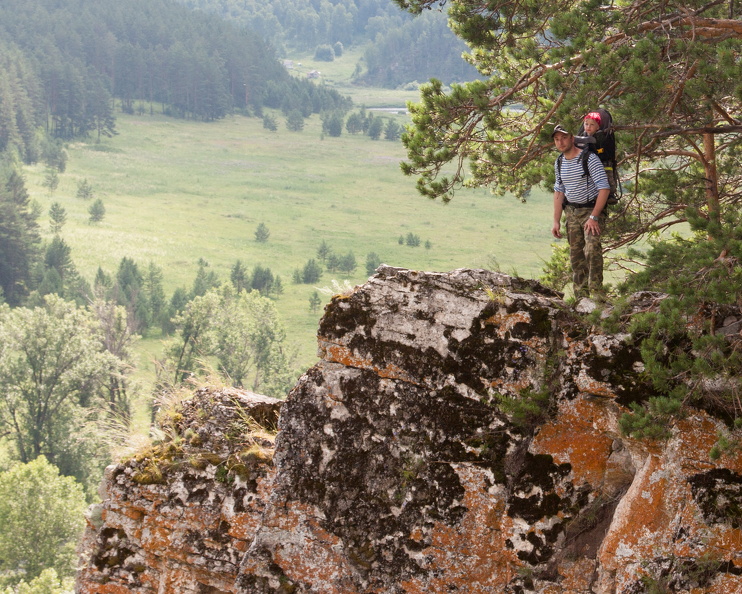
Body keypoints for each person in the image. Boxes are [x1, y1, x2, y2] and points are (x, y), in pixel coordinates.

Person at [550, 124, 611, 300]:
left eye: (563, 138)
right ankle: (581, 298)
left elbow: (604, 188)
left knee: (592, 250)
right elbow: (559, 191)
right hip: (571, 212)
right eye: (556, 139)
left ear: (572, 138)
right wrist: (556, 220)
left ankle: (598, 294)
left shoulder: (589, 158)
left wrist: (594, 217)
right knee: (576, 256)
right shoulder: (559, 161)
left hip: (591, 210)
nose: (560, 142)